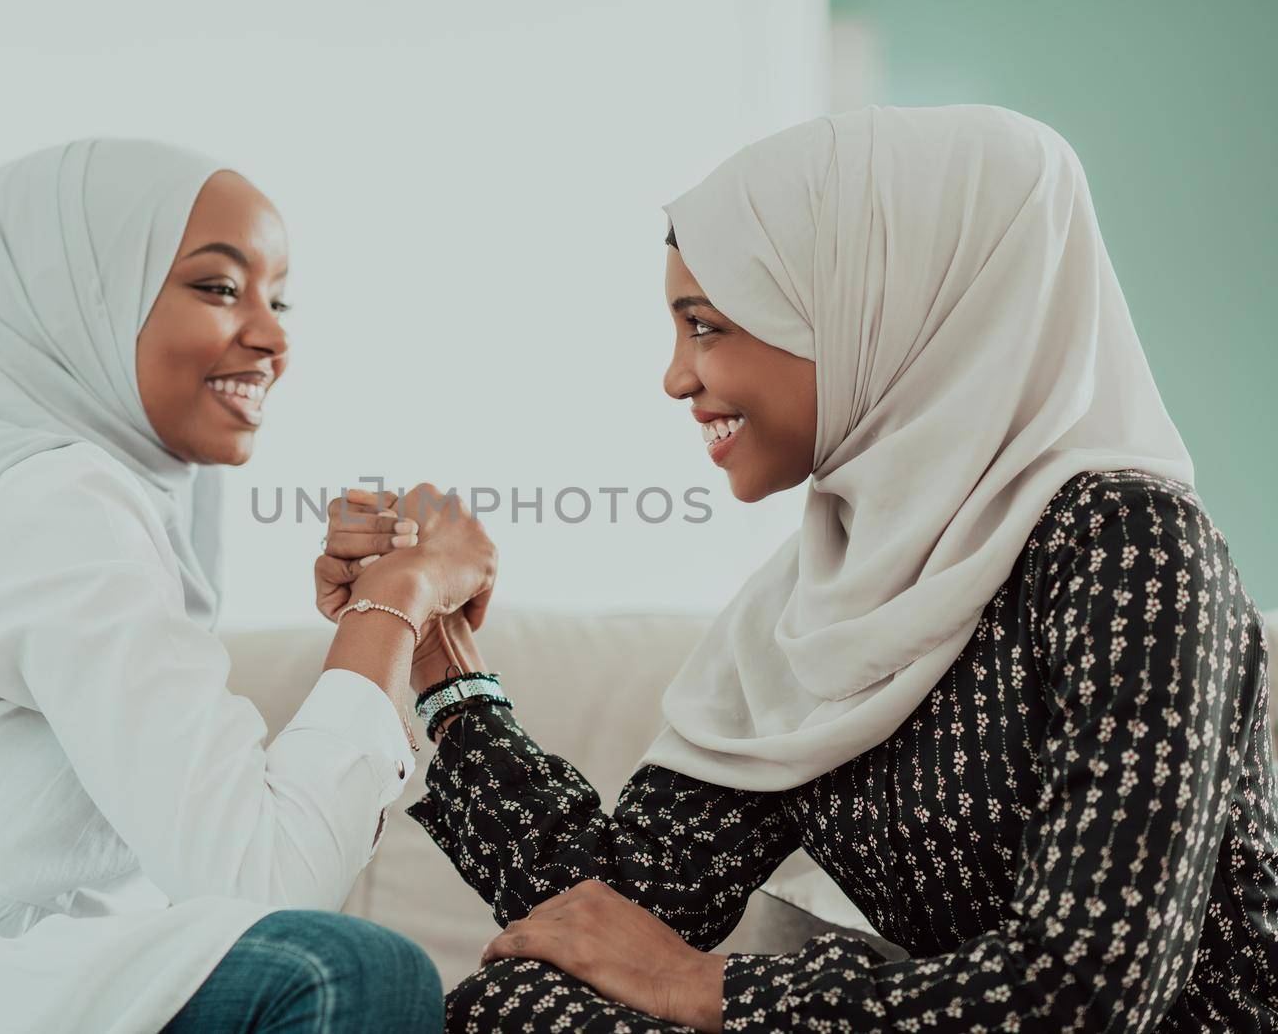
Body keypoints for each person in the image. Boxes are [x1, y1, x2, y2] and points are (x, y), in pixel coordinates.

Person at [323, 106, 1278, 1032]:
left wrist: (721, 990)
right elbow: (605, 915)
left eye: (706, 324)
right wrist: (434, 648)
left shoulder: (1130, 545)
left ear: (870, 304)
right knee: (520, 1005)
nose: (675, 377)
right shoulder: (823, 598)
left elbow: (1088, 989)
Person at [0, 140, 487, 1033]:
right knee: (340, 974)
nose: (274, 336)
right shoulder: (58, 499)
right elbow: (267, 881)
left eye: (278, 296)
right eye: (220, 287)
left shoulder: (32, 497)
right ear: (75, 301)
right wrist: (393, 605)